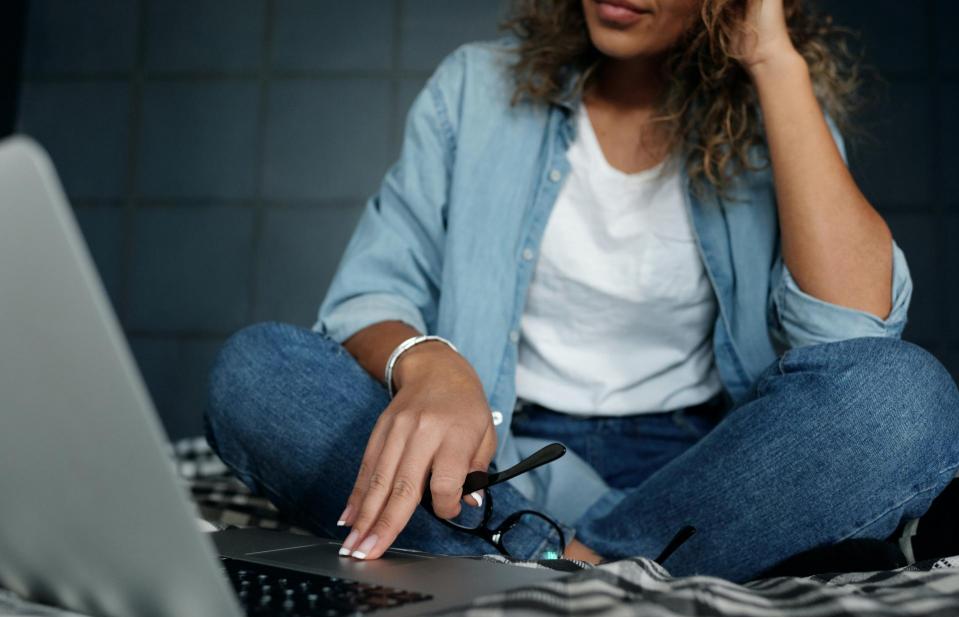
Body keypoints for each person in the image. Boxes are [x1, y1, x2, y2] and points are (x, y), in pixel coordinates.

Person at [205, 0, 959, 582]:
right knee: (257, 370)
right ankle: (606, 571)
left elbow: (851, 335)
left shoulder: (773, 109)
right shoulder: (473, 87)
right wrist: (428, 364)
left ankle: (547, 565)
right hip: (490, 463)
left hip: (701, 475)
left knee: (906, 397)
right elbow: (364, 299)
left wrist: (771, 60)